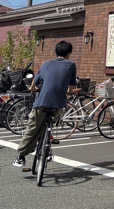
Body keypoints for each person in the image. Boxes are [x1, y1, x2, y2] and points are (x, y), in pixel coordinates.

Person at [12, 40, 78, 170]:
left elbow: (33, 85)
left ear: (56, 52)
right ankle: (46, 147)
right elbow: (70, 89)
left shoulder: (46, 63)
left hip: (41, 103)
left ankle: (20, 156)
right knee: (51, 121)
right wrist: (75, 91)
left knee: (32, 129)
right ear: (69, 53)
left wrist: (34, 89)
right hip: (58, 105)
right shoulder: (71, 65)